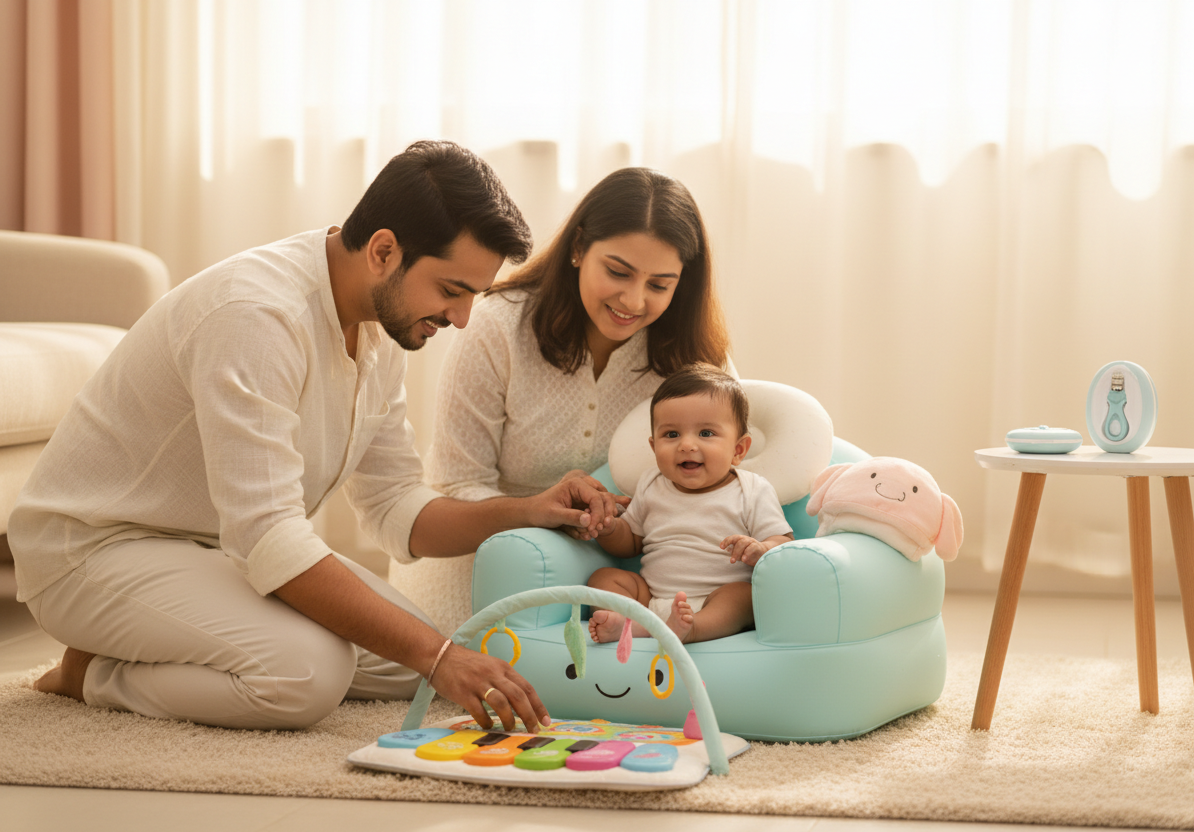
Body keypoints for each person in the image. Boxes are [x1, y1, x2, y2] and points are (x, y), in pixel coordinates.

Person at [8, 140, 622, 734]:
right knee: (310, 674)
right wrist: (436, 655)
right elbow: (269, 537)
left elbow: (394, 506)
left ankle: (182, 646)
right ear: (384, 250)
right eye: (451, 291)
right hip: (93, 553)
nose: (461, 319)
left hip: (212, 553)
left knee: (428, 662)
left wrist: (528, 511)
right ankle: (92, 674)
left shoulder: (380, 327)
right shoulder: (256, 316)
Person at [402, 168, 733, 631]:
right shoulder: (498, 327)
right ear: (578, 248)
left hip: (629, 570)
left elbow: (731, 464)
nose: (634, 300)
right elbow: (458, 483)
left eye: (659, 284)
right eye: (618, 272)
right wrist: (546, 515)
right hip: (487, 559)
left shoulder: (692, 356)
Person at [586, 364, 794, 645]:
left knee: (743, 596)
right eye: (671, 435)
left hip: (716, 600)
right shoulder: (650, 484)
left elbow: (784, 540)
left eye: (706, 433)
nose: (686, 445)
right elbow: (631, 544)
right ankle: (635, 624)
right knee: (603, 578)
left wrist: (762, 549)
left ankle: (691, 628)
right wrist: (610, 529)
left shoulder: (751, 490)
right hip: (652, 597)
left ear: (738, 450)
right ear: (653, 446)